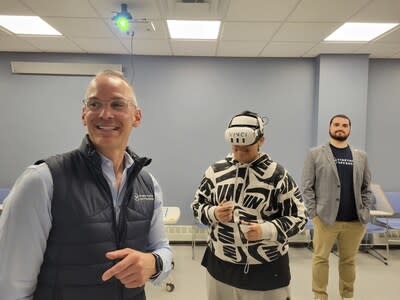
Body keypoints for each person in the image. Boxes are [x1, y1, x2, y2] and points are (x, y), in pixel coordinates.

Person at [0, 70, 172, 300]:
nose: (105, 113)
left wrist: (154, 262)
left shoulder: (148, 184)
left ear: (136, 117)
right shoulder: (43, 180)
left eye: (117, 104)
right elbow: (11, 286)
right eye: (94, 104)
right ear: (84, 115)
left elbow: (163, 248)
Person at [191, 110, 306, 300]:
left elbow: (299, 218)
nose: (239, 154)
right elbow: (197, 206)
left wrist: (266, 230)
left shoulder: (278, 175)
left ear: (261, 141)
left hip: (267, 270)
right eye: (235, 149)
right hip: (220, 266)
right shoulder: (215, 171)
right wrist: (213, 213)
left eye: (246, 150)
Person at [301, 114, 372, 300]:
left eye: (345, 125)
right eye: (336, 125)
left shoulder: (360, 156)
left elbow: (366, 187)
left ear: (349, 129)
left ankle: (347, 295)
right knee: (320, 259)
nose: (340, 128)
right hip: (325, 220)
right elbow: (307, 187)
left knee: (348, 261)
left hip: (355, 221)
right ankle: (320, 295)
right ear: (330, 127)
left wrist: (364, 211)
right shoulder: (315, 153)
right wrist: (314, 214)